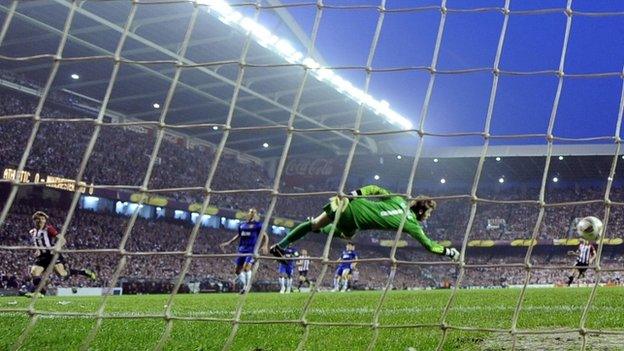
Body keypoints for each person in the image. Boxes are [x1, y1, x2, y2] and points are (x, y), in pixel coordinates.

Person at [270, 185, 459, 261]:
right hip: (353, 220)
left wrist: (353, 195)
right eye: (428, 213)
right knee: (348, 234)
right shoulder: (412, 225)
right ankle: (322, 229)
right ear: (420, 210)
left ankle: (281, 245)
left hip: (350, 202)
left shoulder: (399, 199)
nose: (427, 217)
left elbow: (374, 188)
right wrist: (450, 252)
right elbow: (429, 246)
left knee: (313, 225)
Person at [26, 211, 96, 297]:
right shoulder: (33, 232)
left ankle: (83, 272)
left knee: (62, 273)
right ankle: (39, 293)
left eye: (43, 219)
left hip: (52, 255)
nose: (41, 221)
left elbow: (62, 240)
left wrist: (56, 247)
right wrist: (37, 250)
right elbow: (38, 242)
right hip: (42, 256)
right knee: (34, 273)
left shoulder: (49, 229)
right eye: (38, 219)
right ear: (34, 220)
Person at [220, 208, 268, 294]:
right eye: (250, 212)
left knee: (246, 268)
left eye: (253, 212)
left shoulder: (258, 225)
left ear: (255, 215)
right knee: (237, 271)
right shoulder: (242, 225)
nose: (252, 213)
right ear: (248, 214)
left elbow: (265, 236)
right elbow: (238, 235)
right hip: (241, 250)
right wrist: (229, 242)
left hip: (251, 250)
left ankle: (246, 287)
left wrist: (265, 245)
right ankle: (245, 285)